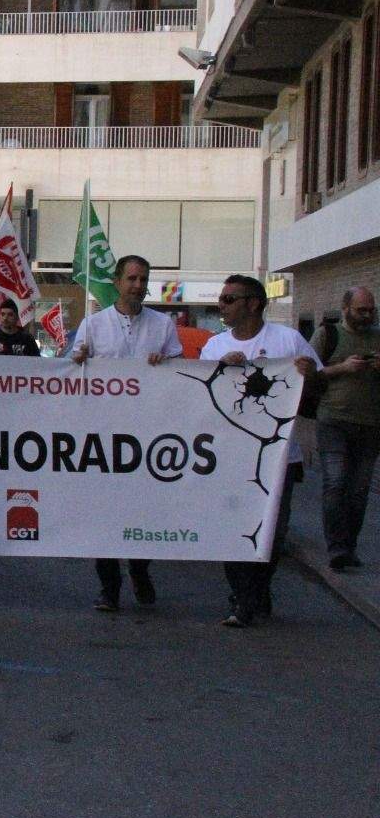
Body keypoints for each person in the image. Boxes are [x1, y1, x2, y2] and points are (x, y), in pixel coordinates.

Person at [201, 275, 321, 627]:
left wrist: (308, 373)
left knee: (273, 530)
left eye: (228, 299)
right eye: (221, 299)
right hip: (230, 455)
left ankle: (258, 588)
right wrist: (221, 371)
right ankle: (241, 597)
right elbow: (201, 401)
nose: (221, 305)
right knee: (234, 527)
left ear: (253, 303)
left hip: (280, 456)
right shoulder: (214, 347)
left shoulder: (288, 340)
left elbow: (317, 384)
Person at [72, 254, 182, 611]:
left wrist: (167, 365)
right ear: (117, 282)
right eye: (131, 278)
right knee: (103, 513)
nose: (137, 285)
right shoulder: (93, 325)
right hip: (103, 436)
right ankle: (109, 587)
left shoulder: (163, 325)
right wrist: (80, 358)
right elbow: (73, 370)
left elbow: (181, 374)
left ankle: (139, 569)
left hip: (147, 436)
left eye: (143, 279)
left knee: (142, 510)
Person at [310, 286, 379, 570]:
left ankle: (349, 546)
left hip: (371, 423)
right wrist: (343, 368)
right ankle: (337, 548)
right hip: (333, 421)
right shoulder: (328, 334)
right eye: (362, 310)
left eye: (371, 310)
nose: (367, 315)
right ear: (346, 308)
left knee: (359, 490)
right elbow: (309, 373)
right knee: (336, 483)